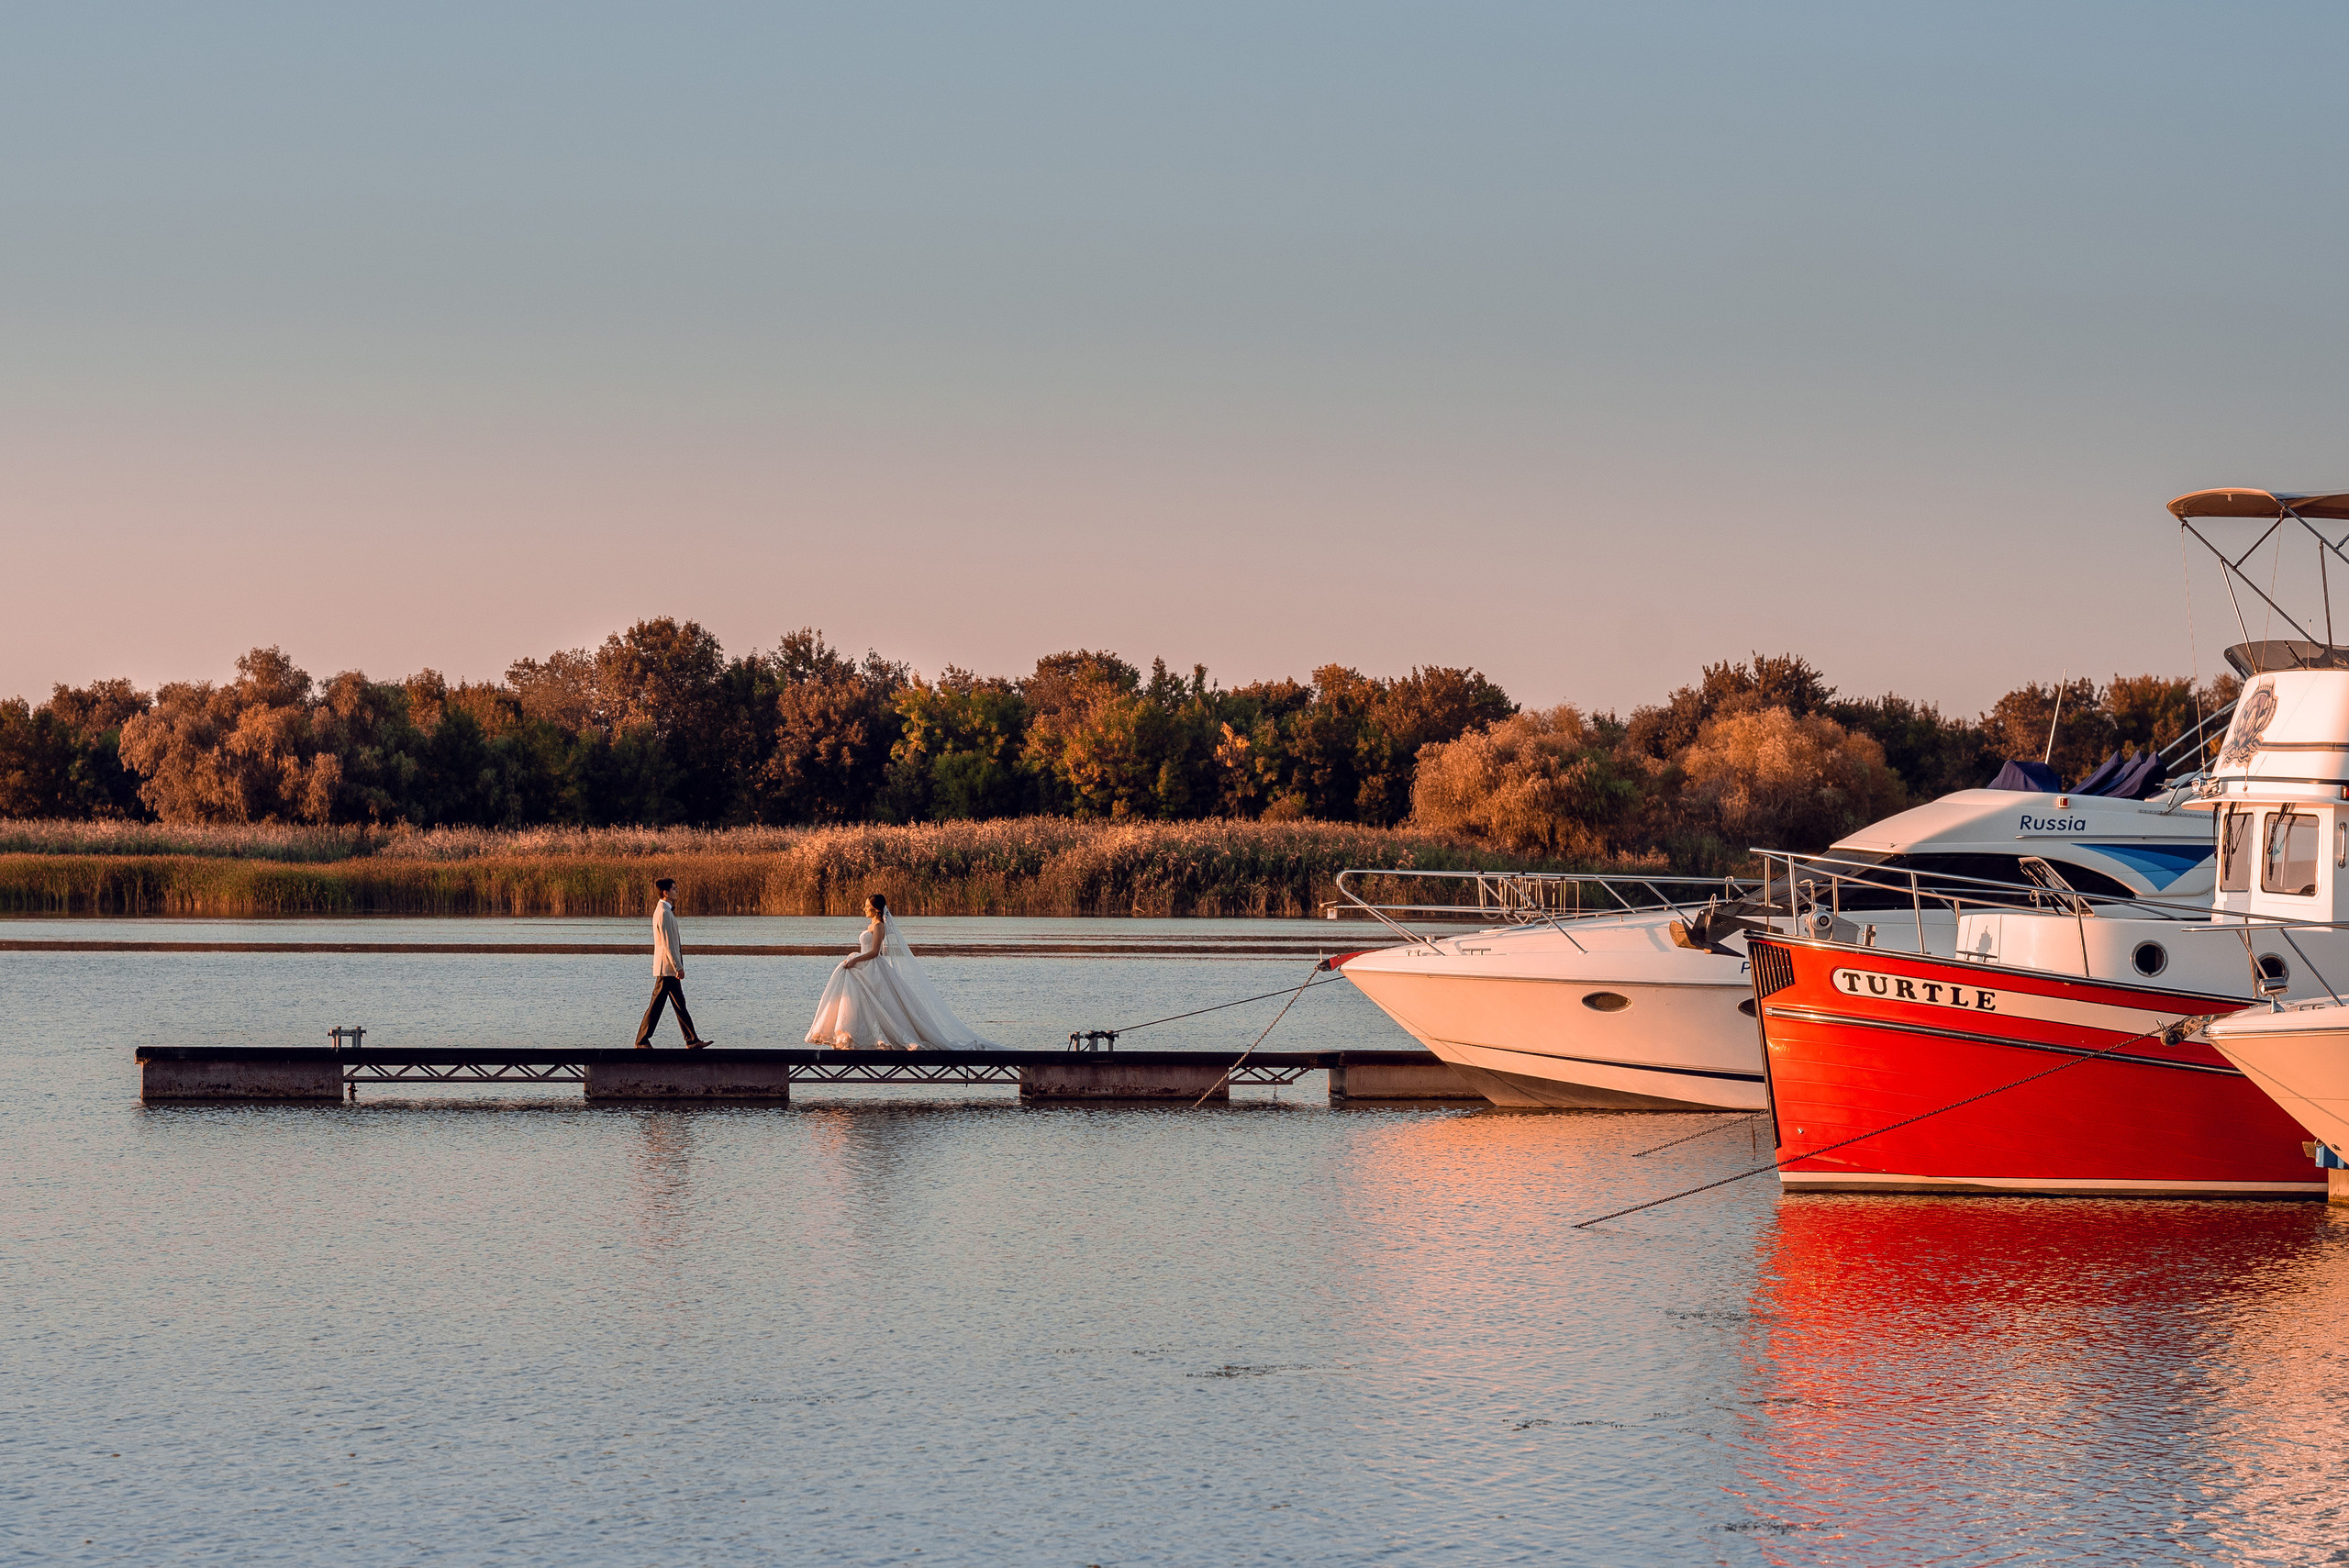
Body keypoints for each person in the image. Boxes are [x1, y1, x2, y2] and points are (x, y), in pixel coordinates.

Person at [807, 892, 995, 1050]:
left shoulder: (879, 926)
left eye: (867, 906)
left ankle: (865, 1036)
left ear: (876, 909)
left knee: (876, 1000)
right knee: (854, 992)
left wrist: (855, 960)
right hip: (865, 965)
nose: (864, 908)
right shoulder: (871, 925)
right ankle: (848, 1034)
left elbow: (874, 952)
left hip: (872, 966)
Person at [634, 877, 713, 1049]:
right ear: (666, 892)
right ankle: (641, 1040)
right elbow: (668, 944)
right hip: (667, 969)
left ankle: (691, 1040)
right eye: (674, 889)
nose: (677, 891)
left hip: (668, 968)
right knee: (656, 1006)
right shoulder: (663, 913)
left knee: (679, 1004)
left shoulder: (664, 911)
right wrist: (678, 967)